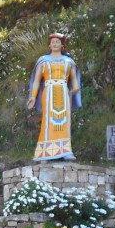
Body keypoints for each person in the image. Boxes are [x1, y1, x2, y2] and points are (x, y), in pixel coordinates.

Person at [27, 32, 81, 161]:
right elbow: (36, 80)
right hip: (49, 91)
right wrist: (33, 96)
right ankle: (45, 152)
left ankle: (66, 151)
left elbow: (74, 80)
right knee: (48, 121)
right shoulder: (43, 61)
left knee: (64, 122)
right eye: (53, 42)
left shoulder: (69, 62)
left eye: (57, 42)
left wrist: (74, 90)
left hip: (63, 91)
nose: (55, 44)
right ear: (49, 45)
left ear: (62, 45)